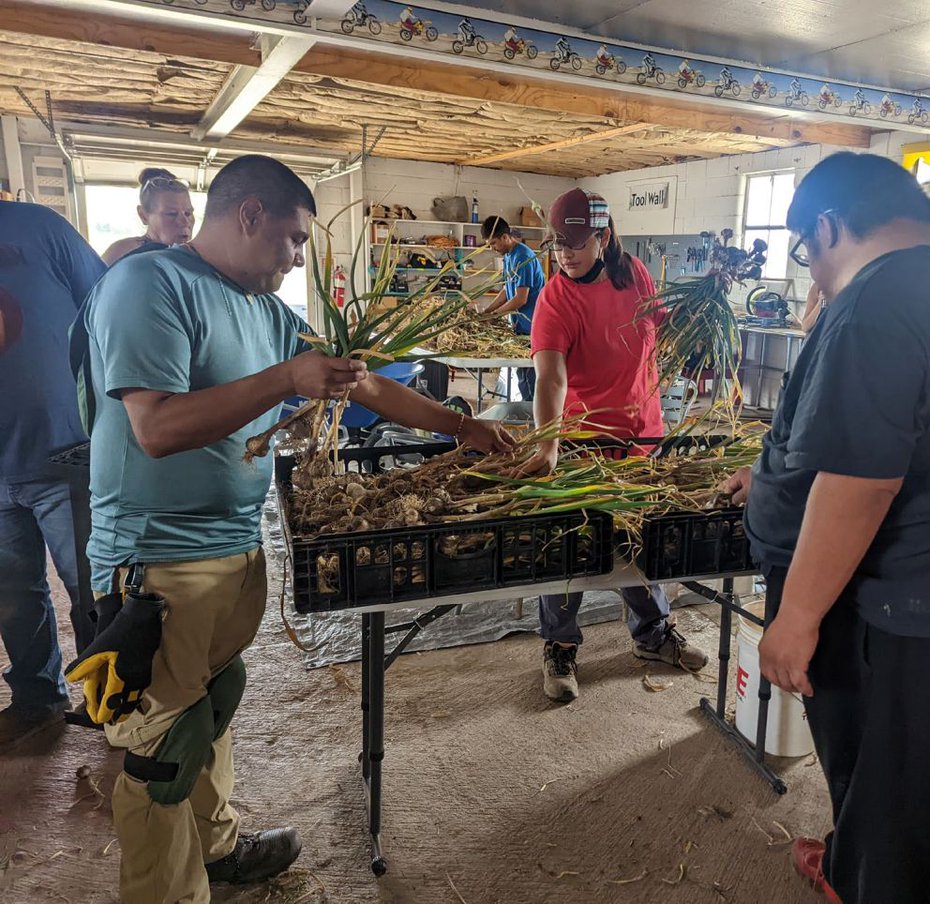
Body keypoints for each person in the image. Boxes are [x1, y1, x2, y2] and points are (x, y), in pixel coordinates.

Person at [75, 154, 514, 904]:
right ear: (248, 215)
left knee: (212, 708)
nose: (296, 257)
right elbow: (154, 428)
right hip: (157, 563)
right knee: (161, 750)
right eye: (291, 239)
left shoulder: (266, 311)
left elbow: (363, 380)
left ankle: (215, 851)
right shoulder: (148, 287)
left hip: (234, 548)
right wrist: (285, 380)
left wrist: (462, 428)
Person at [722, 152, 930, 904]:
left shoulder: (881, 301)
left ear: (831, 224)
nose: (813, 276)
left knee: (893, 796)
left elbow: (864, 482)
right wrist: (775, 476)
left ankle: (866, 880)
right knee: (887, 780)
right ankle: (850, 862)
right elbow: (884, 437)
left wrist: (796, 619)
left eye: (810, 250)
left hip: (917, 607)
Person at [519, 188, 708, 702]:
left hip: (642, 436)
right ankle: (559, 645)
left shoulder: (637, 276)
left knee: (639, 543)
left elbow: (662, 334)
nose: (565, 253)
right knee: (572, 547)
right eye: (558, 243)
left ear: (603, 238)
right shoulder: (556, 297)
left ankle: (653, 636)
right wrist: (550, 441)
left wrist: (698, 340)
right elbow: (551, 379)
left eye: (576, 242)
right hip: (583, 442)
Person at [0, 200, 106, 746]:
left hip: (63, 451)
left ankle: (114, 695)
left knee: (92, 582)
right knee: (11, 592)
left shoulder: (39, 227)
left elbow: (105, 306)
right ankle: (35, 696)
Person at [481, 215, 544, 402]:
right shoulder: (508, 256)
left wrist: (494, 316)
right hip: (519, 327)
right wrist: (487, 312)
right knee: (522, 377)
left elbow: (520, 298)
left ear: (505, 237)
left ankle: (535, 420)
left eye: (494, 243)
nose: (493, 248)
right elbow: (507, 291)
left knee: (532, 379)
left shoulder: (522, 256)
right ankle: (525, 414)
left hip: (531, 327)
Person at [100, 167, 195, 266]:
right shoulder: (123, 251)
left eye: (188, 213)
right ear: (143, 215)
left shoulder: (196, 257)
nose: (185, 222)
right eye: (171, 214)